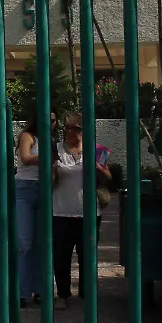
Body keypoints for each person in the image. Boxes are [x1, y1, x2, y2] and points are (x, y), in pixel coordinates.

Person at [50, 112, 111, 309]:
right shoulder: (56, 149)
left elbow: (108, 178)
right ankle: (63, 294)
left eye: (74, 129)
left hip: (89, 213)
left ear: (83, 130)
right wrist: (53, 171)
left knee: (87, 257)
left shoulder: (96, 149)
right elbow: (49, 183)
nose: (70, 132)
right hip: (61, 212)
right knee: (61, 257)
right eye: (67, 128)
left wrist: (97, 167)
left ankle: (87, 293)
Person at [14, 106, 58, 307]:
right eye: (46, 119)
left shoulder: (52, 142)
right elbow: (25, 158)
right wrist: (49, 157)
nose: (50, 124)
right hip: (25, 189)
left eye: (53, 120)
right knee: (25, 243)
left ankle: (41, 290)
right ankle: (22, 293)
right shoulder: (28, 136)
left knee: (42, 243)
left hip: (44, 189)